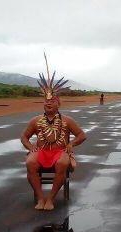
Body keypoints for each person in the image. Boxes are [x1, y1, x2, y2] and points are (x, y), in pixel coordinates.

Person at [21, 62, 86, 211]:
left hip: (60, 152)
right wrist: (31, 148)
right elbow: (24, 137)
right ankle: (40, 197)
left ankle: (50, 198)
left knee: (62, 163)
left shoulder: (67, 120)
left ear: (58, 104)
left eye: (52, 101)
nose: (48, 103)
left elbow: (82, 135)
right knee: (30, 162)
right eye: (46, 101)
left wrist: (71, 145)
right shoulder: (36, 120)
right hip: (41, 152)